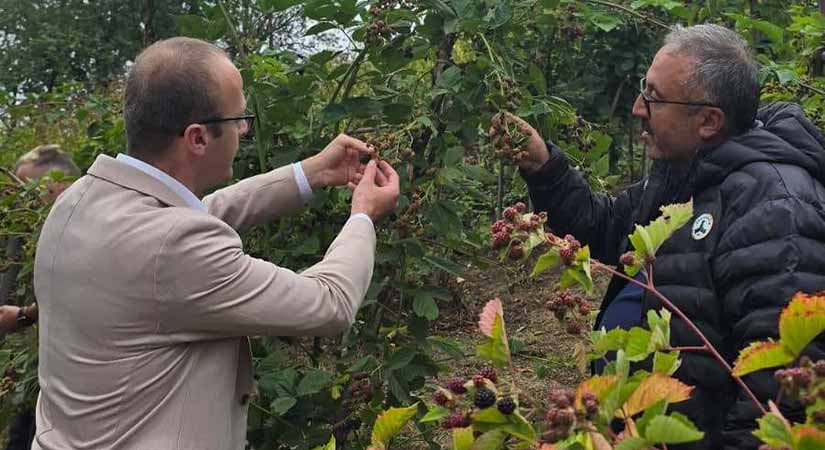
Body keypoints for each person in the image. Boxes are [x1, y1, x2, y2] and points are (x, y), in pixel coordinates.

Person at [31, 37, 399, 450]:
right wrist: (363, 214)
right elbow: (329, 302)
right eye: (239, 118)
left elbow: (194, 215)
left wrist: (309, 173)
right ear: (198, 138)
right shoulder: (174, 247)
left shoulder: (78, 202)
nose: (244, 129)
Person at [508, 24, 825, 449]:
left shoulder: (775, 208)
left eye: (654, 96)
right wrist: (544, 167)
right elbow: (603, 229)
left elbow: (780, 392)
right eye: (644, 89)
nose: (639, 107)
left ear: (709, 120)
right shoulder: (683, 173)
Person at [0, 145, 78, 450]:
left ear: (61, 184)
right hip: (37, 376)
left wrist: (23, 316)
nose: (22, 198)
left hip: (70, 384)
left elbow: (80, 294)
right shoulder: (32, 230)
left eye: (30, 189)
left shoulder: (83, 226)